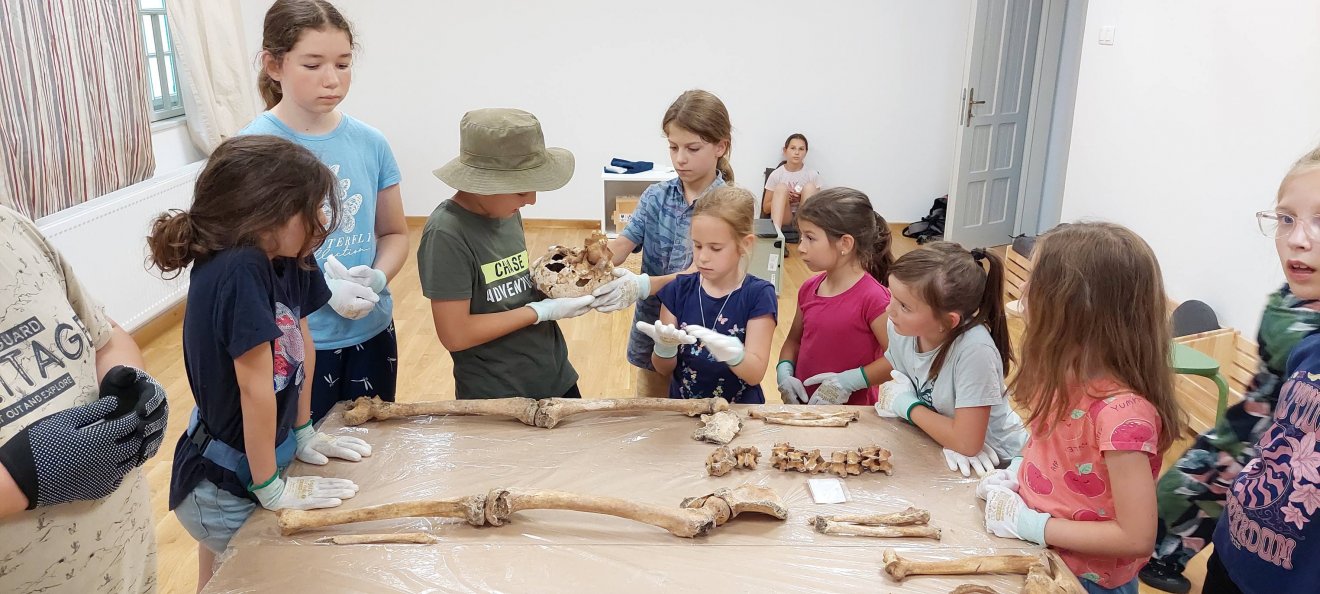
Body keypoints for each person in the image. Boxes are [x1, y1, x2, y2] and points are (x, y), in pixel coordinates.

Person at [149, 135, 368, 591]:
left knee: (220, 578)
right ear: (266, 213)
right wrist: (270, 486)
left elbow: (302, 343)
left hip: (255, 461)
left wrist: (304, 430)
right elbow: (255, 387)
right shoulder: (239, 268)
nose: (322, 220)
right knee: (262, 578)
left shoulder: (290, 256)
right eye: (311, 208)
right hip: (222, 485)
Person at [977, 222, 1185, 594]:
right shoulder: (1065, 375)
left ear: (1075, 308)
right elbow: (1049, 450)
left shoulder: (1123, 416)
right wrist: (1018, 475)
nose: (1022, 291)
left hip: (1088, 582)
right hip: (1043, 558)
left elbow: (1136, 537)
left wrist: (1032, 525)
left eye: (1035, 282)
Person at [243, 0, 408, 421]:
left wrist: (378, 277)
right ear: (274, 65)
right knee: (304, 448)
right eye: (313, 65)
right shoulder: (253, 150)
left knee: (372, 441)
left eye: (343, 64)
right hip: (295, 340)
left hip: (371, 330)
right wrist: (320, 290)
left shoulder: (371, 143)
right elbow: (246, 260)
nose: (332, 79)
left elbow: (394, 233)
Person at [0, 205, 169, 593]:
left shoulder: (12, 228)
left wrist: (128, 383)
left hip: (124, 562)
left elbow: (104, 336)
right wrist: (20, 476)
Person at [1139, 285, 1320, 594]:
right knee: (1204, 485)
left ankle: (1155, 550)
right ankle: (1158, 556)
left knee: (1203, 479)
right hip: (1261, 428)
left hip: (1257, 423)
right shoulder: (1296, 310)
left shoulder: (1286, 302)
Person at [1203, 146, 1320, 594]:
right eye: (1286, 219)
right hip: (1234, 556)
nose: (1297, 239)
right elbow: (1258, 431)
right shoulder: (1293, 321)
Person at [418, 108, 594, 399]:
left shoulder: (506, 212)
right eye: (521, 191)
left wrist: (562, 285)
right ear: (483, 183)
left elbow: (511, 288)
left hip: (553, 373)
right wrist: (538, 312)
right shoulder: (446, 234)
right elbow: (455, 334)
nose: (532, 200)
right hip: (498, 392)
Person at [590, 90, 735, 397]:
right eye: (673, 147)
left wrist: (642, 285)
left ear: (720, 146)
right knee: (652, 410)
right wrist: (591, 261)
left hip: (703, 333)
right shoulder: (656, 196)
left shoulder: (729, 206)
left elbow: (699, 275)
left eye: (692, 148)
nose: (680, 158)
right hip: (654, 328)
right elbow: (624, 243)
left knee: (701, 410)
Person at [875, 242, 1027, 476]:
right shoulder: (901, 328)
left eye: (904, 306)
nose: (889, 310)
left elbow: (967, 443)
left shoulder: (975, 351)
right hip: (943, 444)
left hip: (1002, 463)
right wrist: (850, 380)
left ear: (948, 321)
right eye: (892, 295)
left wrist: (906, 405)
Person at [640, 187, 777, 403]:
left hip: (739, 410)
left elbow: (755, 374)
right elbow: (663, 369)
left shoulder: (759, 295)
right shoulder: (678, 290)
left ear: (745, 244)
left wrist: (736, 356)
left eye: (715, 248)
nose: (702, 257)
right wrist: (664, 347)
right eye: (697, 245)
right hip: (686, 409)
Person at [775, 187, 893, 406]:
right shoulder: (809, 289)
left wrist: (850, 382)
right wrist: (784, 370)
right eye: (801, 236)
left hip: (853, 416)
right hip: (804, 410)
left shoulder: (874, 298)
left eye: (810, 238)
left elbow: (896, 360)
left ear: (845, 244)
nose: (801, 247)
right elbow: (793, 341)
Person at [762, 133, 822, 233]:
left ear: (806, 152)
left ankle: (804, 236)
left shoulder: (812, 175)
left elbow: (820, 208)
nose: (797, 152)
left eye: (801, 149)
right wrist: (785, 199)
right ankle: (777, 235)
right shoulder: (776, 174)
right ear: (785, 151)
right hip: (784, 217)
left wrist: (802, 197)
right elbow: (766, 209)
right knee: (781, 188)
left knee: (810, 187)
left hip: (804, 217)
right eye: (793, 148)